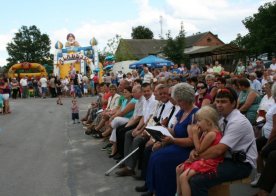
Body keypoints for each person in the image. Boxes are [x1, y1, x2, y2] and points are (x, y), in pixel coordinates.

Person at [188, 87, 257, 196]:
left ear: (234, 104)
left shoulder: (238, 121)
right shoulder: (222, 119)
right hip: (226, 158)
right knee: (188, 172)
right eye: (218, 101)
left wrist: (197, 156)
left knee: (197, 180)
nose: (219, 105)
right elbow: (209, 144)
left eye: (224, 102)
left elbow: (218, 150)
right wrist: (194, 152)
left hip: (241, 164)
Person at [144, 83, 198, 196]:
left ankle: (165, 192)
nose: (177, 103)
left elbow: (191, 141)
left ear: (187, 99)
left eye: (179, 101)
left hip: (187, 150)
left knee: (160, 159)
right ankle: (155, 190)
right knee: (154, 155)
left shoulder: (195, 114)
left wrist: (172, 140)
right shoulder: (182, 111)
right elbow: (175, 131)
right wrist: (164, 129)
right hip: (177, 145)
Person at [176, 106, 223, 196]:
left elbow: (199, 149)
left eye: (199, 121)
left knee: (183, 177)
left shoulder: (212, 134)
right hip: (202, 158)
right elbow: (198, 150)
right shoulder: (206, 132)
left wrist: (194, 135)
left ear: (208, 122)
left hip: (209, 161)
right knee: (178, 169)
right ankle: (178, 193)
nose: (197, 124)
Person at [251, 83, 276, 188]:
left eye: (267, 87)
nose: (264, 89)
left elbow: (275, 128)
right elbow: (267, 115)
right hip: (266, 132)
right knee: (256, 148)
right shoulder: (273, 103)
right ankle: (260, 175)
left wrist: (269, 142)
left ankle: (263, 178)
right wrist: (260, 122)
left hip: (271, 136)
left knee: (264, 153)